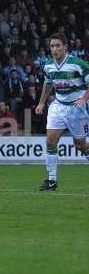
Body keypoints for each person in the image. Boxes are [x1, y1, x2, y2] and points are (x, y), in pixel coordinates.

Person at [35, 33, 89, 190]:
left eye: (58, 46)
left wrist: (84, 98)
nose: (54, 49)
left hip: (77, 108)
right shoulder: (48, 65)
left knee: (80, 145)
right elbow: (48, 83)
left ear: (65, 47)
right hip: (58, 105)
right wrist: (41, 103)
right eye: (52, 46)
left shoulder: (78, 64)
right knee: (50, 140)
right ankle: (52, 180)